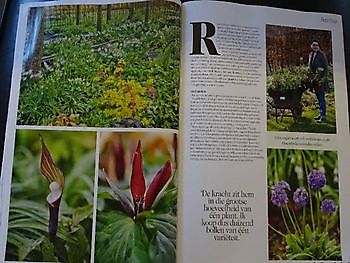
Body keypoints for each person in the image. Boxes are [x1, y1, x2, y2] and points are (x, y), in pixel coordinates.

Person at [308, 40, 329, 122]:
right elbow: (309, 65)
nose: (315, 47)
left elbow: (326, 68)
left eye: (316, 45)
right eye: (313, 45)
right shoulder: (311, 54)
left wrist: (323, 79)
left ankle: (323, 116)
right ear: (311, 46)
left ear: (319, 46)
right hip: (314, 79)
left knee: (321, 98)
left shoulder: (322, 55)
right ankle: (320, 114)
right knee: (318, 98)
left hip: (320, 80)